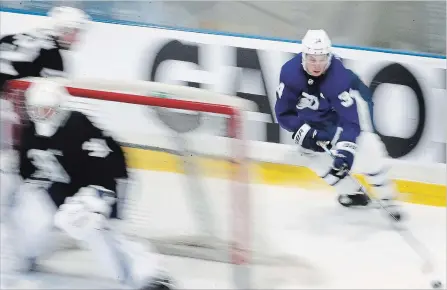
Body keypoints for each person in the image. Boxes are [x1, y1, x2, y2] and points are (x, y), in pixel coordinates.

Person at [3, 80, 174, 290]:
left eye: (46, 109)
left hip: (98, 187)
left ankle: (147, 272)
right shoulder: (30, 133)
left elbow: (111, 166)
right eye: (36, 109)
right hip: (60, 188)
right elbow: (26, 173)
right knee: (29, 211)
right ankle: (21, 258)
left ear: (59, 109)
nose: (40, 114)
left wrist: (100, 197)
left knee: (79, 220)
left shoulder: (78, 127)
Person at [275, 29, 402, 220]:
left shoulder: (337, 76)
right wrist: (304, 131)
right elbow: (283, 113)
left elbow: (350, 121)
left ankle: (387, 197)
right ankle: (353, 194)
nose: (317, 65)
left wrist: (345, 151)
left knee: (370, 150)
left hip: (338, 123)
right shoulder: (290, 73)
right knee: (314, 159)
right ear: (303, 56)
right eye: (312, 58)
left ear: (329, 56)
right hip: (313, 126)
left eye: (322, 58)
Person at [0, 6, 89, 90]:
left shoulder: (7, 38)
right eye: (75, 33)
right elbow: (48, 100)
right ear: (65, 30)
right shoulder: (52, 56)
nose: (77, 40)